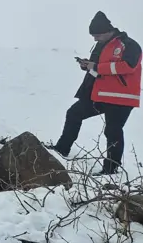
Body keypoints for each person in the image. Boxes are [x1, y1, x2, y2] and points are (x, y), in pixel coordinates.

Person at [50, 12, 141, 175]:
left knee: (113, 131)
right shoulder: (101, 46)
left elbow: (128, 66)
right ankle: (61, 149)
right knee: (74, 113)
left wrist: (96, 67)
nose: (95, 39)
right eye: (93, 36)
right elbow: (100, 73)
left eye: (97, 35)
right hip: (101, 95)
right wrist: (89, 68)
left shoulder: (129, 44)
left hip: (122, 98)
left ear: (108, 31)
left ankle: (111, 169)